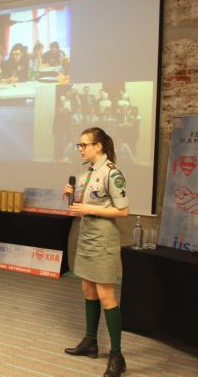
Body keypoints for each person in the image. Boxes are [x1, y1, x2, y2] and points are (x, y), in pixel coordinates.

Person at [63, 127, 129, 377]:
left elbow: (123, 211)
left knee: (106, 295)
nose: (80, 149)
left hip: (103, 241)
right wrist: (70, 197)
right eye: (79, 145)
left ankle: (117, 356)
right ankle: (90, 341)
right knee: (88, 290)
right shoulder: (85, 174)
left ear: (98, 146)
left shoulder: (113, 173)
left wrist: (89, 209)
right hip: (86, 238)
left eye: (84, 145)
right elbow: (81, 206)